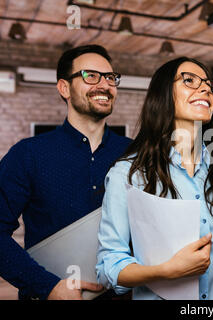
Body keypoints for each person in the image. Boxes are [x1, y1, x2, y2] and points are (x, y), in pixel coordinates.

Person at [96, 57, 213, 300]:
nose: (205, 88)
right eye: (189, 81)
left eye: (209, 84)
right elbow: (108, 266)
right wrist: (167, 271)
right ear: (163, 94)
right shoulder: (128, 174)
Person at [0, 44, 131, 300]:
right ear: (64, 88)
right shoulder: (27, 154)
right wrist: (47, 286)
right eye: (91, 76)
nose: (104, 85)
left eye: (110, 77)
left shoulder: (135, 153)